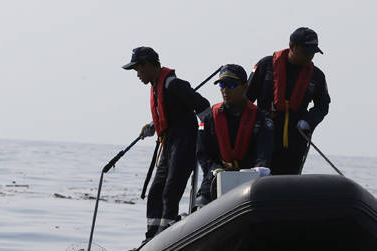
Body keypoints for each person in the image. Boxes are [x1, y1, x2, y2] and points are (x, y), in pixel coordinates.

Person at [122, 46, 210, 239]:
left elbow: (203, 106)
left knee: (170, 190)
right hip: (169, 143)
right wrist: (153, 126)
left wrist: (207, 138)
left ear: (148, 65)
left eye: (139, 69)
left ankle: (166, 234)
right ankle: (152, 236)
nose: (137, 74)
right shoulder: (156, 86)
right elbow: (169, 113)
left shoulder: (173, 84)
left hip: (185, 143)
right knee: (155, 192)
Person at [247, 27, 330, 175]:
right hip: (263, 139)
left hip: (295, 141)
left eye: (313, 52)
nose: (309, 56)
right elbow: (246, 99)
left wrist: (309, 121)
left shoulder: (317, 76)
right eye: (305, 51)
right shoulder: (266, 66)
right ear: (291, 46)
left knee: (288, 183)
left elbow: (323, 105)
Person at [196, 64, 273, 206]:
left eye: (231, 85)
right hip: (215, 180)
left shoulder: (261, 119)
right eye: (222, 85)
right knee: (202, 202)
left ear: (244, 86)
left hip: (249, 184)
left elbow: (264, 151)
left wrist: (260, 169)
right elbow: (202, 152)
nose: (225, 90)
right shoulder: (210, 119)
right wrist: (213, 170)